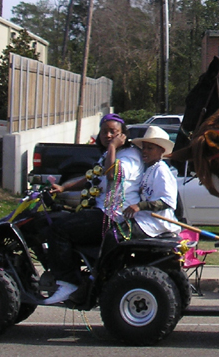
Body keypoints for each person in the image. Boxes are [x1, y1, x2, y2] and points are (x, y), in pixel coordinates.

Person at [43, 113, 143, 304]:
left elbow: (111, 175)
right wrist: (63, 188)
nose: (107, 136)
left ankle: (68, 282)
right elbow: (93, 178)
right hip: (102, 211)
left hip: (113, 216)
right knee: (53, 218)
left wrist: (113, 147)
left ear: (123, 135)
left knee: (59, 230)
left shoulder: (130, 156)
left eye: (113, 132)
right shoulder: (108, 154)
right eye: (104, 131)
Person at [121, 126, 181, 239]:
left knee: (117, 235)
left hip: (158, 222)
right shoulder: (148, 169)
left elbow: (167, 201)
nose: (144, 151)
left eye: (150, 148)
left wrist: (139, 206)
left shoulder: (161, 170)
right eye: (143, 148)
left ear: (161, 150)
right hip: (144, 218)